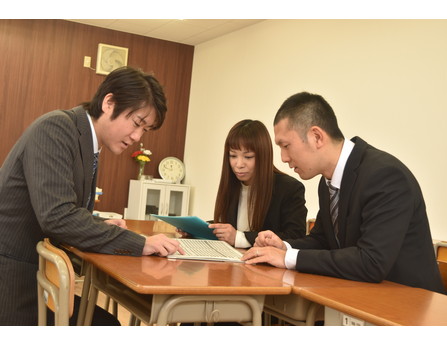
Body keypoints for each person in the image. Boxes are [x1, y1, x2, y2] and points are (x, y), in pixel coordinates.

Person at [0, 66, 184, 325]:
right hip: (13, 282)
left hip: (33, 273)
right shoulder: (56, 129)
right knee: (107, 325)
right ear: (109, 102)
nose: (137, 137)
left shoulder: (83, 139)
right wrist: (140, 243)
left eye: (145, 130)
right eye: (136, 124)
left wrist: (97, 223)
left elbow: (64, 208)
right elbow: (57, 217)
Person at [242, 92, 446, 294]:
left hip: (412, 307)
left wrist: (287, 259)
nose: (284, 158)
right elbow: (322, 240)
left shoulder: (385, 176)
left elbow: (371, 262)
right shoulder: (328, 181)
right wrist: (284, 247)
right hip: (363, 296)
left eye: (286, 146)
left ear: (316, 137)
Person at [210, 119, 307, 248]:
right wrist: (197, 230)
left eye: (248, 157)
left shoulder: (289, 189)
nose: (238, 165)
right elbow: (228, 228)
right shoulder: (232, 185)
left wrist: (239, 238)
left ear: (263, 156)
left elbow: (295, 237)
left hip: (266, 266)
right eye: (233, 156)